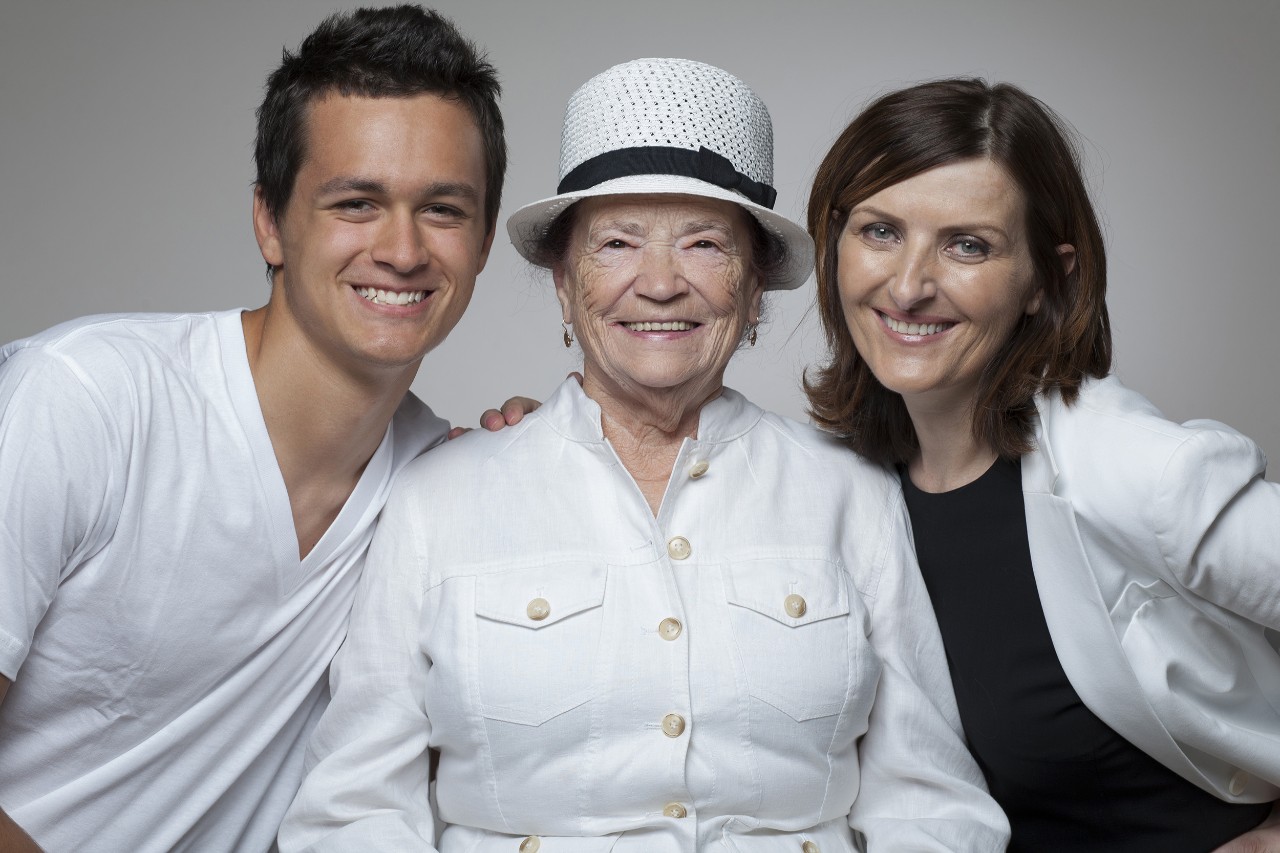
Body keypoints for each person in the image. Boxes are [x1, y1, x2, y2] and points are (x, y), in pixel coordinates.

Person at [279, 58, 1008, 852]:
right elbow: (352, 813)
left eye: (703, 244)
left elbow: (931, 807)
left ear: (756, 284)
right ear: (564, 281)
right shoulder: (437, 498)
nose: (659, 284)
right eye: (618, 243)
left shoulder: (850, 492)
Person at [0, 6, 520, 851]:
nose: (402, 249)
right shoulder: (89, 401)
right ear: (270, 223)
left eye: (444, 210)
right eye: (356, 202)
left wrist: (541, 456)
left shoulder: (442, 484)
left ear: (485, 242)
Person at [805, 77, 1280, 851]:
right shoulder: (842, 482)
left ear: (1045, 278)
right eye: (880, 231)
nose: (909, 285)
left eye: (968, 245)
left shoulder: (1127, 465)